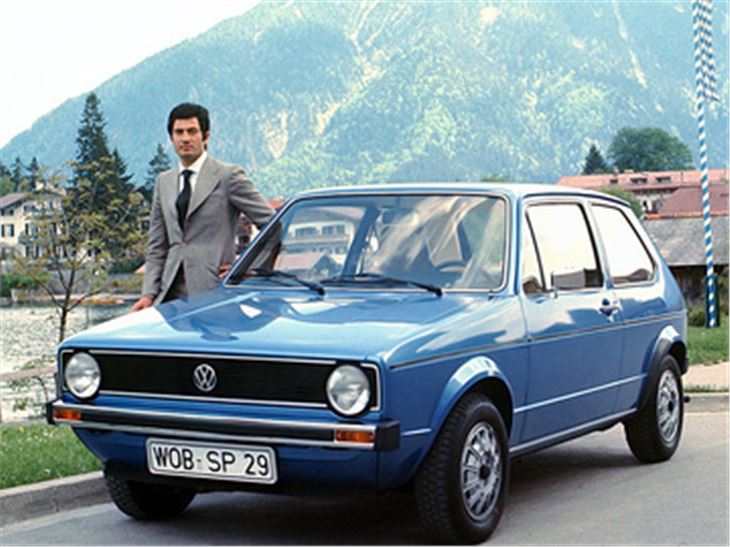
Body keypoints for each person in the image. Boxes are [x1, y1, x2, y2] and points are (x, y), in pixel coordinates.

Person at [131, 103, 275, 311]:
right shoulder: (164, 181)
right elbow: (157, 246)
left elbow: (274, 227)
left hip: (216, 294)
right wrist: (148, 294)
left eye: (192, 131)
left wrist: (248, 268)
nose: (185, 138)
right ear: (171, 138)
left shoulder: (228, 176)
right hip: (168, 299)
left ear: (205, 136)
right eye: (179, 132)